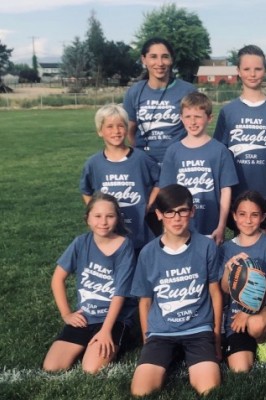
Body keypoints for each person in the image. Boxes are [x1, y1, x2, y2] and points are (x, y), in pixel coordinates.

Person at [130, 184, 222, 396]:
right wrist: (147, 341)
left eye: (182, 211)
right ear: (159, 214)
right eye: (169, 212)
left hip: (198, 329)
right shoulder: (148, 253)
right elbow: (145, 301)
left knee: (209, 388)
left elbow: (215, 292)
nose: (177, 218)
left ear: (192, 212)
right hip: (161, 332)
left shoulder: (206, 246)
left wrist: (216, 337)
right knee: (141, 391)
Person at [43, 193, 135, 374]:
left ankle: (119, 339)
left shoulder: (125, 246)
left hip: (113, 319)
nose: (103, 222)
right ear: (88, 219)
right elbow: (57, 279)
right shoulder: (80, 243)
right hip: (85, 318)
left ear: (117, 219)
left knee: (91, 369)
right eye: (97, 216)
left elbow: (120, 293)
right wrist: (67, 314)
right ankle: (89, 341)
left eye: (110, 216)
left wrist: (106, 330)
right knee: (52, 367)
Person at [213, 45, 266, 237]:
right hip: (238, 191)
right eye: (246, 69)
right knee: (242, 246)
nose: (252, 74)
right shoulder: (228, 111)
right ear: (238, 72)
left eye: (258, 69)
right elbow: (220, 154)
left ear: (265, 70)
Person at [159, 92, 238, 245]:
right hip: (180, 226)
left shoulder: (220, 150)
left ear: (209, 118)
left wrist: (221, 225)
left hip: (211, 225)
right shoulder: (173, 151)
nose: (193, 122)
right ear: (181, 118)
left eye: (198, 117)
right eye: (188, 117)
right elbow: (166, 193)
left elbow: (226, 190)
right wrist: (166, 227)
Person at [219, 190, 266, 372]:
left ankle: (262, 343)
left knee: (256, 326)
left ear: (263, 217)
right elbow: (225, 288)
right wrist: (228, 270)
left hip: (263, 309)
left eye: (254, 215)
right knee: (240, 369)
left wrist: (249, 310)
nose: (248, 220)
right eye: (242, 214)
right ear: (234, 216)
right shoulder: (226, 249)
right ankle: (244, 344)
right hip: (235, 314)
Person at [80, 104, 160, 255]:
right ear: (100, 131)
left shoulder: (141, 159)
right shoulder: (94, 163)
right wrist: (96, 212)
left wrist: (149, 204)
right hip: (110, 232)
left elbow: (159, 180)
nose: (116, 131)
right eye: (109, 126)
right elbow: (86, 190)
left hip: (139, 231)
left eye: (121, 126)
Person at [123, 37, 197, 166]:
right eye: (153, 57)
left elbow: (197, 128)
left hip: (179, 162)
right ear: (144, 60)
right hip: (144, 163)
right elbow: (130, 129)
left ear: (171, 60)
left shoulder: (187, 90)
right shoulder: (134, 92)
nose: (160, 63)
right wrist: (140, 152)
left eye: (165, 57)